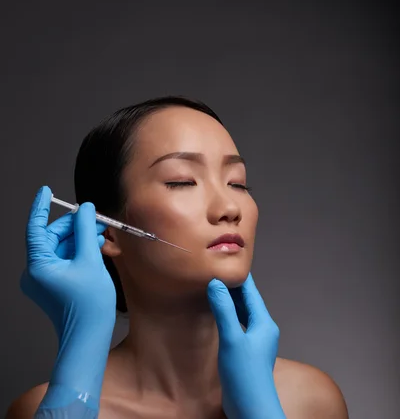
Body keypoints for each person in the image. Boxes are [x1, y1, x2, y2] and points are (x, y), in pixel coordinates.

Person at [7, 96, 349, 418]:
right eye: (182, 181)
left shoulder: (311, 400)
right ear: (108, 229)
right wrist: (77, 370)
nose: (229, 208)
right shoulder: (43, 407)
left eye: (237, 183)